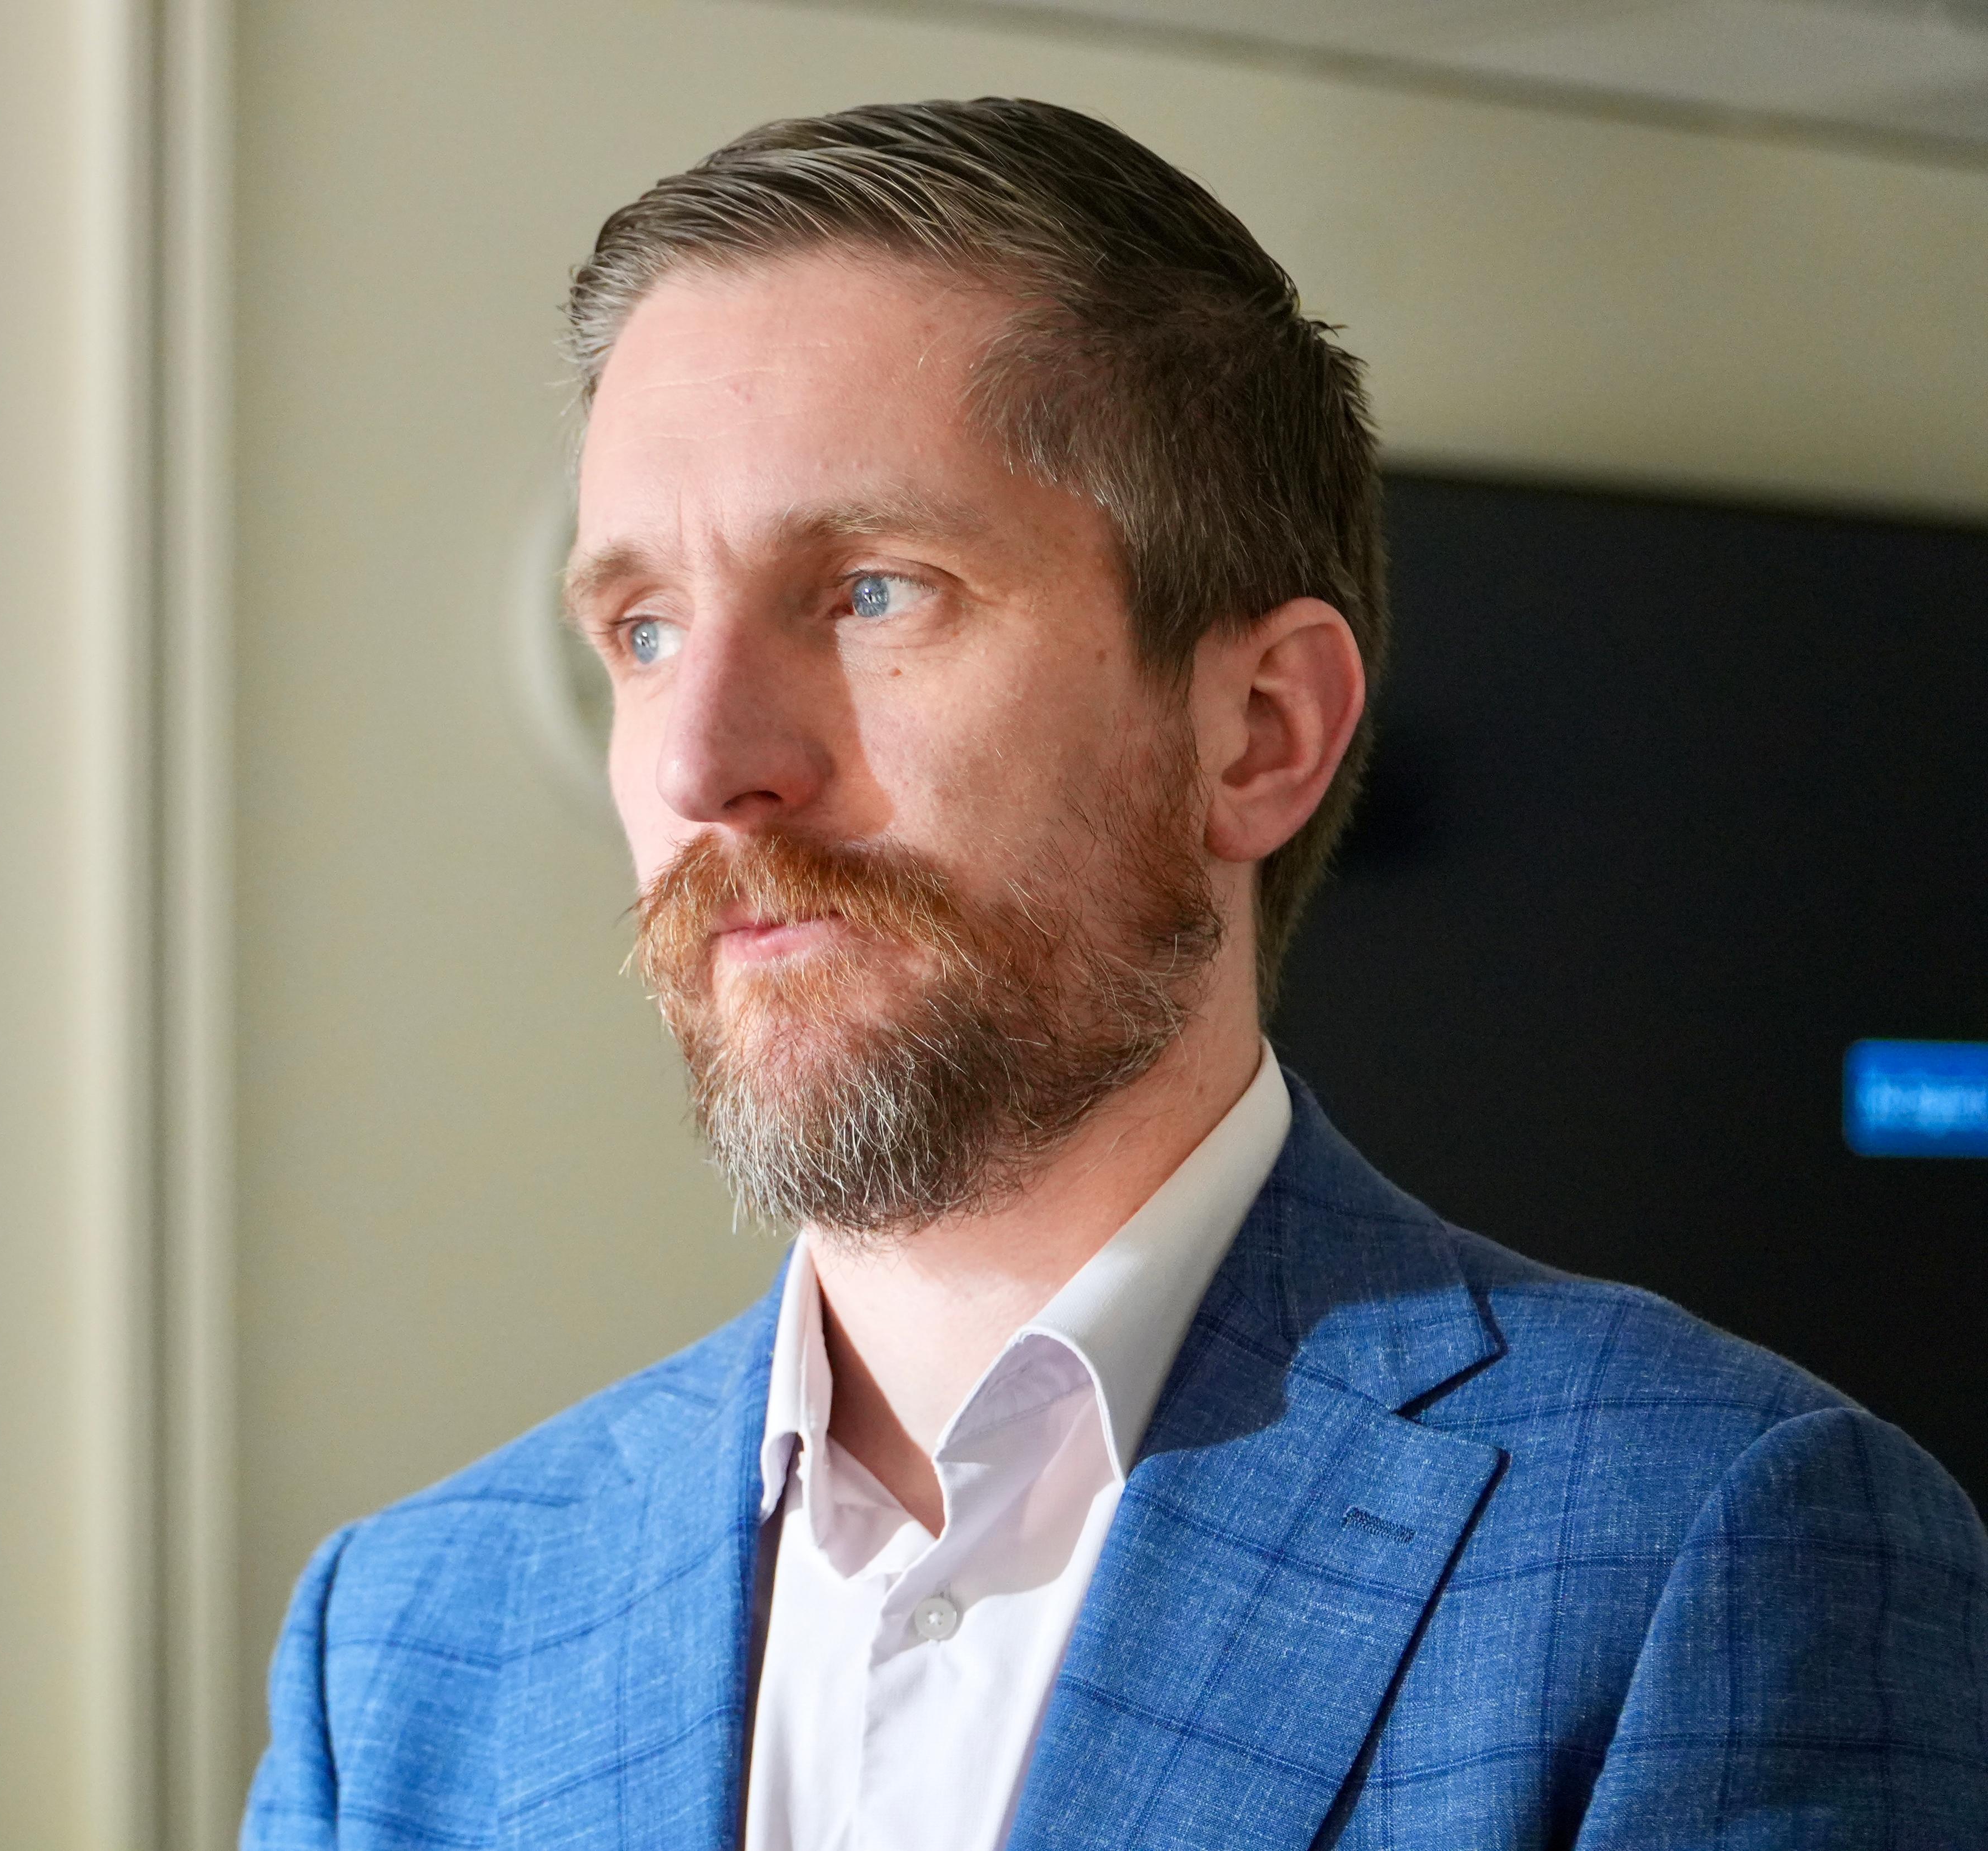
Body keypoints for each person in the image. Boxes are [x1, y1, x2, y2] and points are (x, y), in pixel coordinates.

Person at [241, 98, 1988, 1849]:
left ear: (1259, 730)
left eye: (871, 592)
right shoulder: (403, 1648)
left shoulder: (1715, 1551)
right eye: (644, 627)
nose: (703, 764)